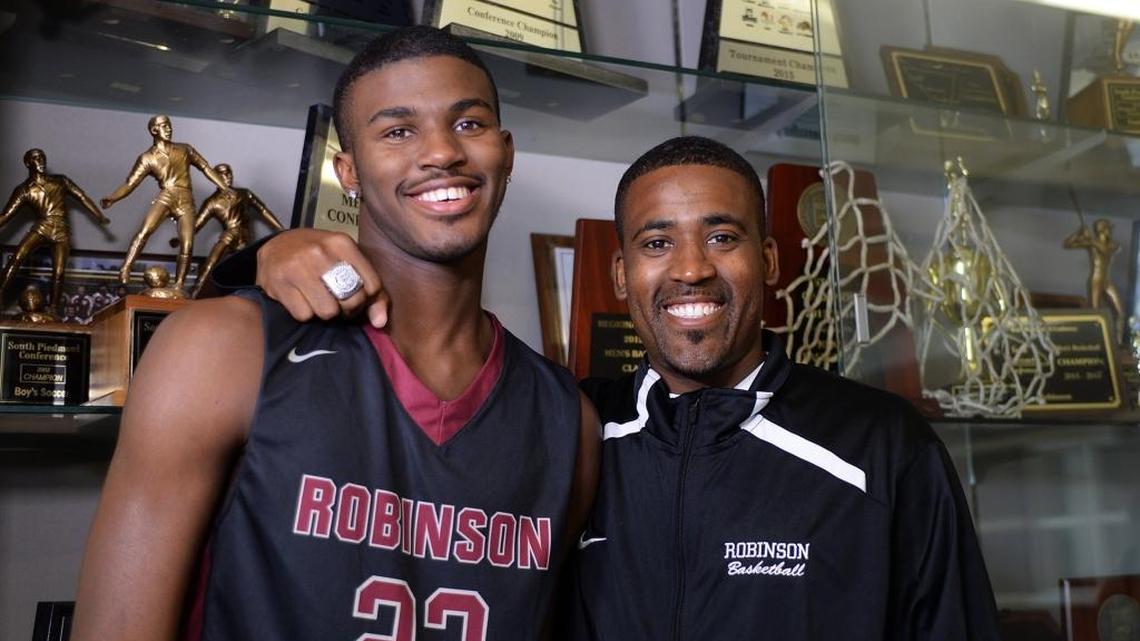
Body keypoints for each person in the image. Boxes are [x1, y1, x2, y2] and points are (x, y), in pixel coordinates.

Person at [223, 136, 1003, 639]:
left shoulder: (881, 446)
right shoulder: (566, 426)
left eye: (722, 236)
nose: (691, 268)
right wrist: (266, 256)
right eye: (658, 242)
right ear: (622, 274)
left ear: (768, 261)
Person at [72, 26, 598, 641]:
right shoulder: (221, 348)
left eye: (469, 123)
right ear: (348, 170)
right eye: (398, 131)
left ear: (505, 152)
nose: (441, 152)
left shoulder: (570, 420)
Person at [101, 115, 231, 291]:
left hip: (186, 198)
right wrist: (113, 197)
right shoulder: (147, 157)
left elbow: (206, 168)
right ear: (154, 130)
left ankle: (179, 284)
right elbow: (130, 184)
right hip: (166, 196)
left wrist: (224, 187)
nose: (168, 129)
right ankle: (126, 268)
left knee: (188, 243)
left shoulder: (185, 149)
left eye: (169, 125)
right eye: (164, 126)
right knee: (145, 231)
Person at [0, 148, 109, 309]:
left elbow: (82, 197)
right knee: (17, 257)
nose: (41, 160)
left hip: (61, 229)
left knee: (59, 272)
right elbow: (6, 215)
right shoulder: (24, 190)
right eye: (36, 158)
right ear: (28, 163)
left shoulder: (60, 181)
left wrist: (99, 216)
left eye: (42, 157)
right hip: (42, 226)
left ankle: (53, 309)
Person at [191, 163, 284, 298]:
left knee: (251, 268)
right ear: (215, 177)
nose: (228, 176)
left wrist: (281, 229)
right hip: (229, 235)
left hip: (244, 236)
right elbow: (197, 225)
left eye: (229, 173)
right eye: (223, 174)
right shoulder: (212, 202)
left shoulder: (244, 194)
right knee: (211, 263)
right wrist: (181, 238)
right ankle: (194, 295)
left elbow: (263, 211)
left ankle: (260, 298)